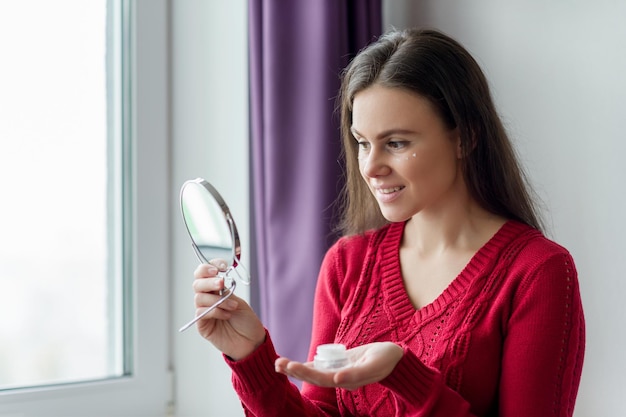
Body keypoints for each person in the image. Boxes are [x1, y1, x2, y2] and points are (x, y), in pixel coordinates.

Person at [191, 28, 585, 416]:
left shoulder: (537, 272)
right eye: (363, 142)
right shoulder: (347, 264)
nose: (371, 167)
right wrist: (249, 354)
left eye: (396, 143)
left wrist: (404, 375)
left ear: (465, 137)